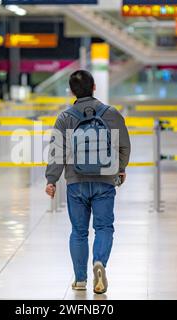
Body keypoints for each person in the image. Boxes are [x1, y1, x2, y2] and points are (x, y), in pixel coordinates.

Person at [45, 70, 131, 294]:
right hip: (105, 180)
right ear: (94, 88)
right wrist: (120, 169)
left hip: (76, 181)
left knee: (79, 231)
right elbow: (124, 146)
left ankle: (80, 279)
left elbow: (57, 151)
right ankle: (99, 262)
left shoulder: (65, 117)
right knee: (103, 227)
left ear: (72, 91)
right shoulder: (111, 114)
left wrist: (51, 179)